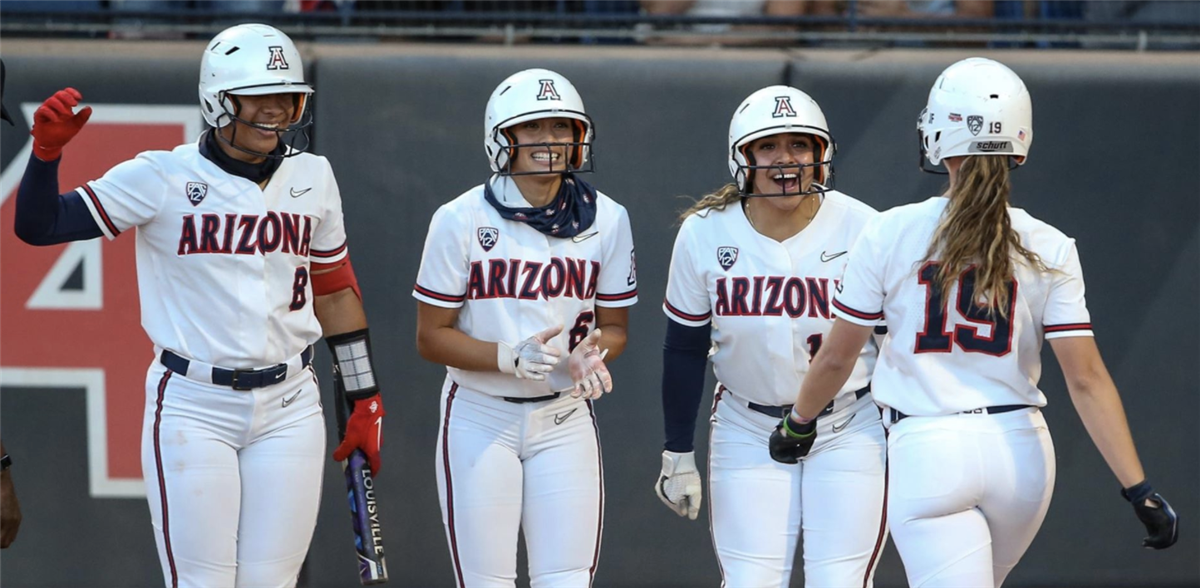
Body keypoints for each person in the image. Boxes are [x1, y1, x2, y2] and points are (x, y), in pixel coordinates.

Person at [769, 57, 1179, 587]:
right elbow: (1086, 379)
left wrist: (798, 423)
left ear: (940, 134)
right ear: (1020, 140)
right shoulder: (1051, 244)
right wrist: (1138, 487)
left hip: (929, 448)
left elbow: (838, 356)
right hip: (1022, 454)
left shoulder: (890, 231)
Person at [13, 23, 385, 587]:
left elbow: (333, 288)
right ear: (217, 100)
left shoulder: (314, 175)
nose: (276, 110)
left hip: (291, 404)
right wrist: (44, 156)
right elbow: (38, 226)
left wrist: (365, 397)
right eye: (257, 96)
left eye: (286, 96)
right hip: (193, 403)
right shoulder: (160, 176)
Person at [654, 85, 888, 588]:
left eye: (800, 145)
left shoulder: (866, 227)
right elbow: (684, 349)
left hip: (848, 423)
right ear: (743, 158)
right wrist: (676, 450)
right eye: (769, 146)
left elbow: (895, 349)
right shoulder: (703, 231)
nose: (787, 159)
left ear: (822, 156)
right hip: (747, 423)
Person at [413, 68, 637, 588]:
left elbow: (616, 326)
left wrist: (592, 355)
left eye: (562, 128)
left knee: (567, 579)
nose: (549, 142)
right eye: (533, 128)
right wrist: (506, 357)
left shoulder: (610, 217)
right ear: (504, 138)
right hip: (479, 413)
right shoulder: (459, 218)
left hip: (564, 417)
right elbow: (430, 336)